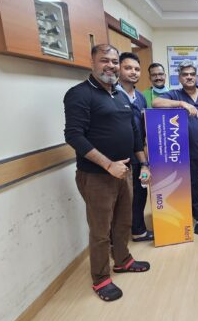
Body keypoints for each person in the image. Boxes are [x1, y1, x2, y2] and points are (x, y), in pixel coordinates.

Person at [64, 44, 152, 302]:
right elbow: (74, 136)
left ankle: (123, 260)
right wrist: (108, 164)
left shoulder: (120, 95)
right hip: (97, 176)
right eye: (105, 60)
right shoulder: (79, 94)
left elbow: (134, 134)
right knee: (101, 230)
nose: (111, 66)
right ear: (92, 62)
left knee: (123, 221)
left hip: (125, 172)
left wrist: (144, 164)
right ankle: (100, 277)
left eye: (114, 61)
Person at [153, 59, 198, 236]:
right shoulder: (175, 95)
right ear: (179, 78)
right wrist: (182, 104)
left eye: (192, 74)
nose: (189, 77)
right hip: (186, 154)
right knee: (193, 187)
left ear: (196, 77)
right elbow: (156, 103)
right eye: (185, 74)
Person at [116, 52, 154, 243]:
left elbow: (143, 128)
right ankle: (117, 239)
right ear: (118, 68)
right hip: (118, 157)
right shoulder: (111, 95)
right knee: (120, 199)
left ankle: (138, 230)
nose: (133, 72)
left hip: (139, 154)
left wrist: (146, 157)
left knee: (140, 193)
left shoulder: (140, 97)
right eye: (128, 68)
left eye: (137, 69)